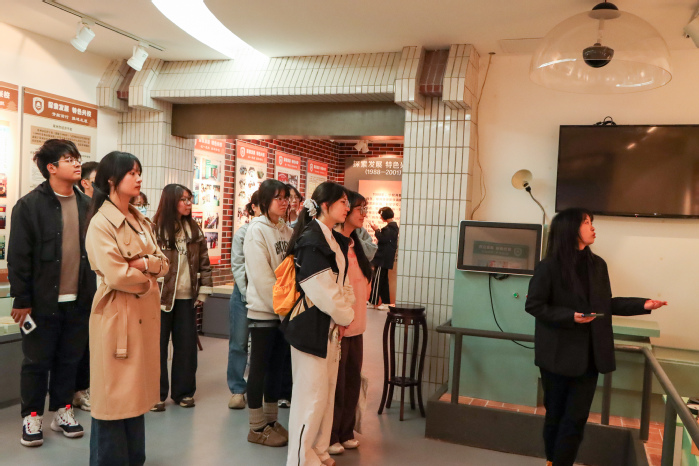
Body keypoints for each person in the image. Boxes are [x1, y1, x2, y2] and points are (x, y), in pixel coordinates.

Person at [525, 208, 667, 466]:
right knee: (556, 416)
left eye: (592, 222)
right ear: (570, 229)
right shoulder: (549, 267)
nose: (593, 227)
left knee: (576, 419)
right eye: (586, 222)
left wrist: (642, 304)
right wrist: (571, 316)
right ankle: (552, 460)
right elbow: (534, 305)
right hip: (557, 357)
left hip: (590, 356)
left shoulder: (598, 265)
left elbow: (605, 304)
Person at [8, 139, 96, 447]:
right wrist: (22, 299)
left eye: (77, 158)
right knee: (36, 362)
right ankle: (32, 416)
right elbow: (18, 256)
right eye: (69, 159)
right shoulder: (29, 206)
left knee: (70, 360)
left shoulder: (88, 205)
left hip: (79, 299)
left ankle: (63, 411)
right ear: (51, 167)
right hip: (41, 302)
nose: (77, 163)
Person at [85, 151, 169, 465]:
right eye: (131, 173)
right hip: (116, 319)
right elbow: (118, 275)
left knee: (135, 397)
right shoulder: (101, 223)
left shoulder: (139, 219)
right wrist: (148, 278)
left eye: (138, 172)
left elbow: (164, 263)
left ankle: (134, 459)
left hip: (141, 318)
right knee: (113, 400)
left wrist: (144, 263)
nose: (138, 178)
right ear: (111, 179)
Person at [283, 181, 354, 466]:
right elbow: (321, 289)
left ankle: (319, 451)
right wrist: (345, 315)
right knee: (311, 396)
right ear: (325, 205)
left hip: (330, 327)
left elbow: (343, 283)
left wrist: (345, 315)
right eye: (343, 202)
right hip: (310, 328)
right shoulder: (312, 240)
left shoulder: (332, 238)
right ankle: (300, 459)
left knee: (325, 392)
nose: (348, 207)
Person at [152, 184, 213, 411]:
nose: (188, 203)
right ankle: (155, 394)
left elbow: (204, 263)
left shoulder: (194, 229)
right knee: (156, 347)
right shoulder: (155, 229)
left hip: (187, 298)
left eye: (190, 199)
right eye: (183, 199)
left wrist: (203, 291)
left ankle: (184, 392)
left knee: (186, 347)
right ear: (171, 201)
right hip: (160, 298)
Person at [243, 179, 293, 447]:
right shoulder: (256, 230)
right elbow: (262, 278)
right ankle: (255, 427)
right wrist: (282, 307)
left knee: (277, 368)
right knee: (259, 369)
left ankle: (271, 422)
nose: (284, 202)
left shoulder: (286, 230)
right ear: (264, 202)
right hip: (264, 311)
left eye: (286, 197)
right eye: (278, 198)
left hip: (284, 312)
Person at [329, 191, 372, 455]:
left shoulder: (356, 244)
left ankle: (346, 431)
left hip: (358, 326)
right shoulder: (333, 243)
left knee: (352, 380)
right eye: (359, 208)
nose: (363, 214)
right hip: (338, 327)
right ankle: (331, 434)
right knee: (337, 384)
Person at [227, 191, 260, 410]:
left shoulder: (277, 232)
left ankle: (259, 388)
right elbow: (238, 266)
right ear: (253, 207)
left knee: (262, 345)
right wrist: (248, 293)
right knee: (239, 344)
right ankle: (237, 390)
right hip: (243, 296)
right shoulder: (243, 233)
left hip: (265, 297)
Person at [73, 160, 99, 412]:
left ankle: (87, 388)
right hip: (77, 290)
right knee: (77, 345)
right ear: (86, 183)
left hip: (98, 289)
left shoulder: (99, 210)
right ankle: (76, 392)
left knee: (92, 343)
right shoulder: (78, 210)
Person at [368, 206, 398, 310]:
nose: (380, 217)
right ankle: (385, 302)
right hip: (385, 259)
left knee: (377, 280)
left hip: (382, 259)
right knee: (383, 281)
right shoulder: (392, 227)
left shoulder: (390, 228)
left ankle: (372, 301)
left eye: (381, 215)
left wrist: (376, 230)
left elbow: (383, 239)